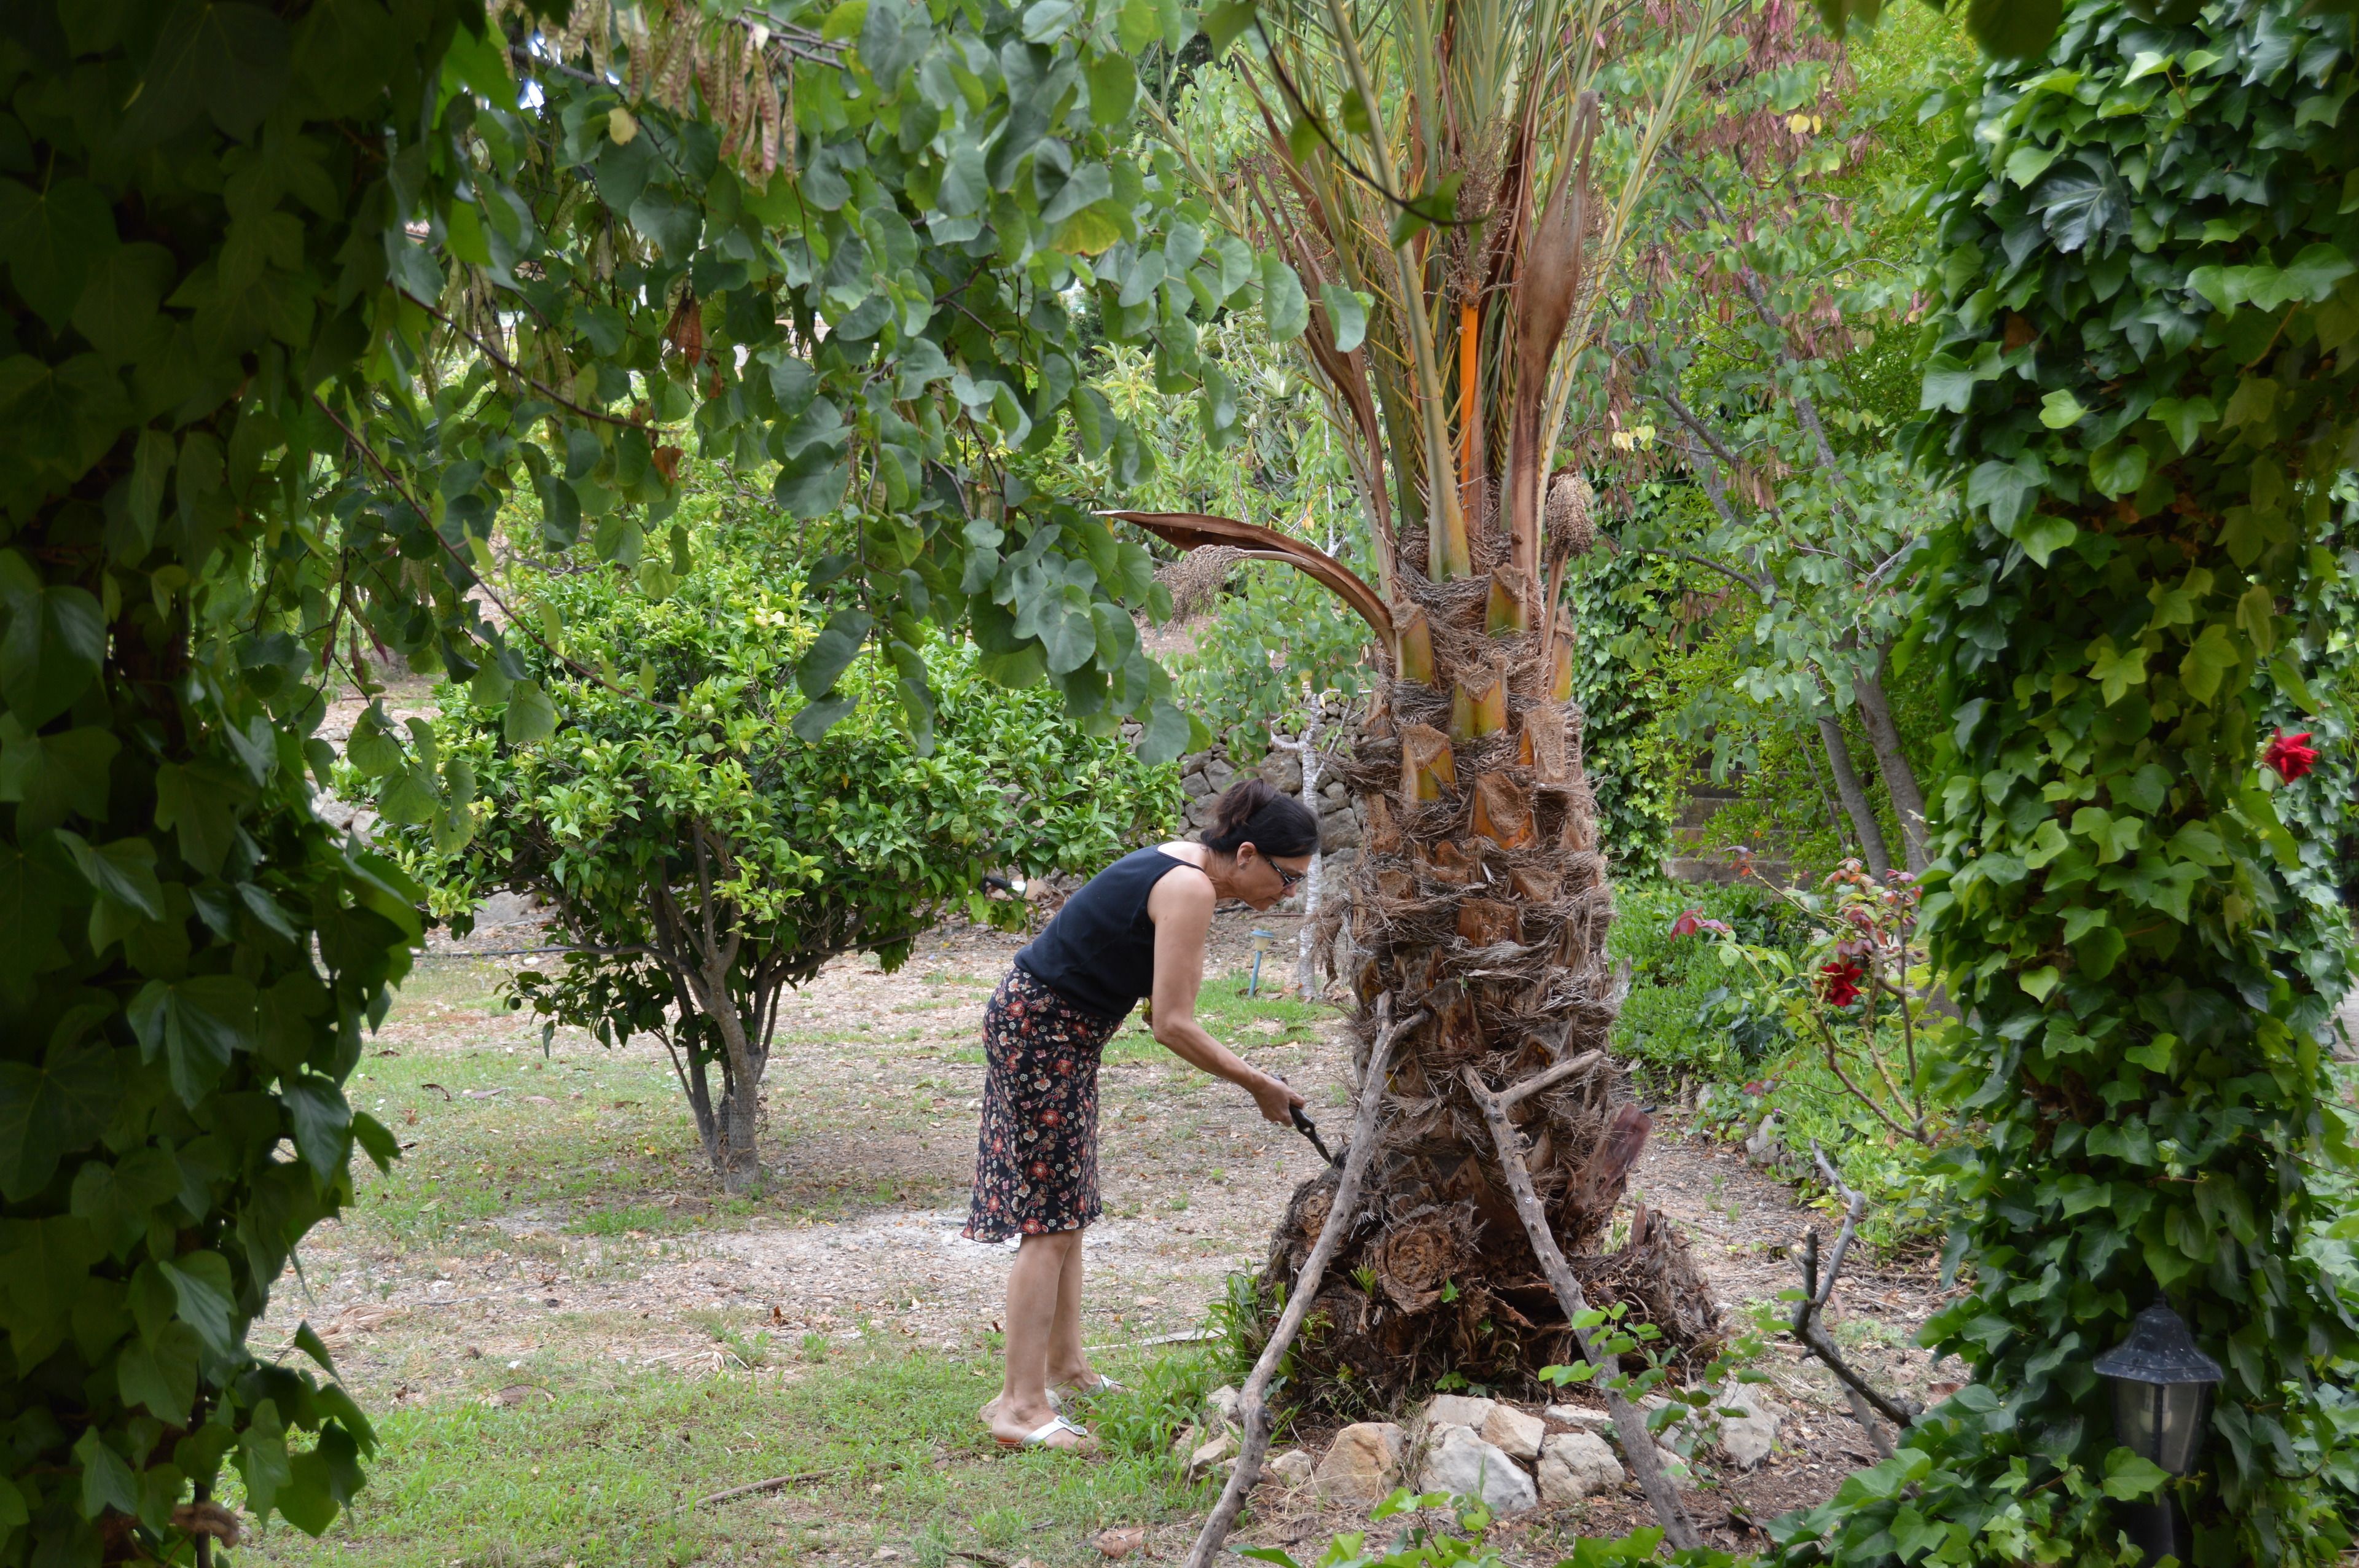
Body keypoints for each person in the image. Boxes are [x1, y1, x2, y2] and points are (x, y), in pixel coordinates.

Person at [964, 778, 1321, 1453]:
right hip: (1044, 1032)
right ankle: (1019, 1406)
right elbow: (1172, 1025)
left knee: (1067, 1209)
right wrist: (1258, 1084)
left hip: (1048, 1027)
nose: (1291, 893)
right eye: (1288, 877)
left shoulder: (1182, 865)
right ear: (1247, 854)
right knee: (1050, 1220)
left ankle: (1066, 1369)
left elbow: (1159, 1006)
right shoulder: (1189, 889)